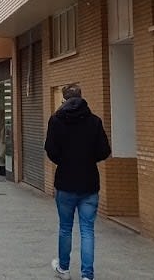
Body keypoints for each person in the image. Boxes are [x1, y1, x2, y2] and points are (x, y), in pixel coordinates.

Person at [45, 84, 111, 280]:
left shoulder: (56, 120)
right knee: (87, 230)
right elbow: (104, 152)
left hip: (65, 182)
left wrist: (65, 161)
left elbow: (51, 150)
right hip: (89, 184)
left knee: (65, 227)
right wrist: (87, 160)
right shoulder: (94, 121)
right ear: (82, 98)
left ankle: (64, 269)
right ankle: (87, 275)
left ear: (63, 100)